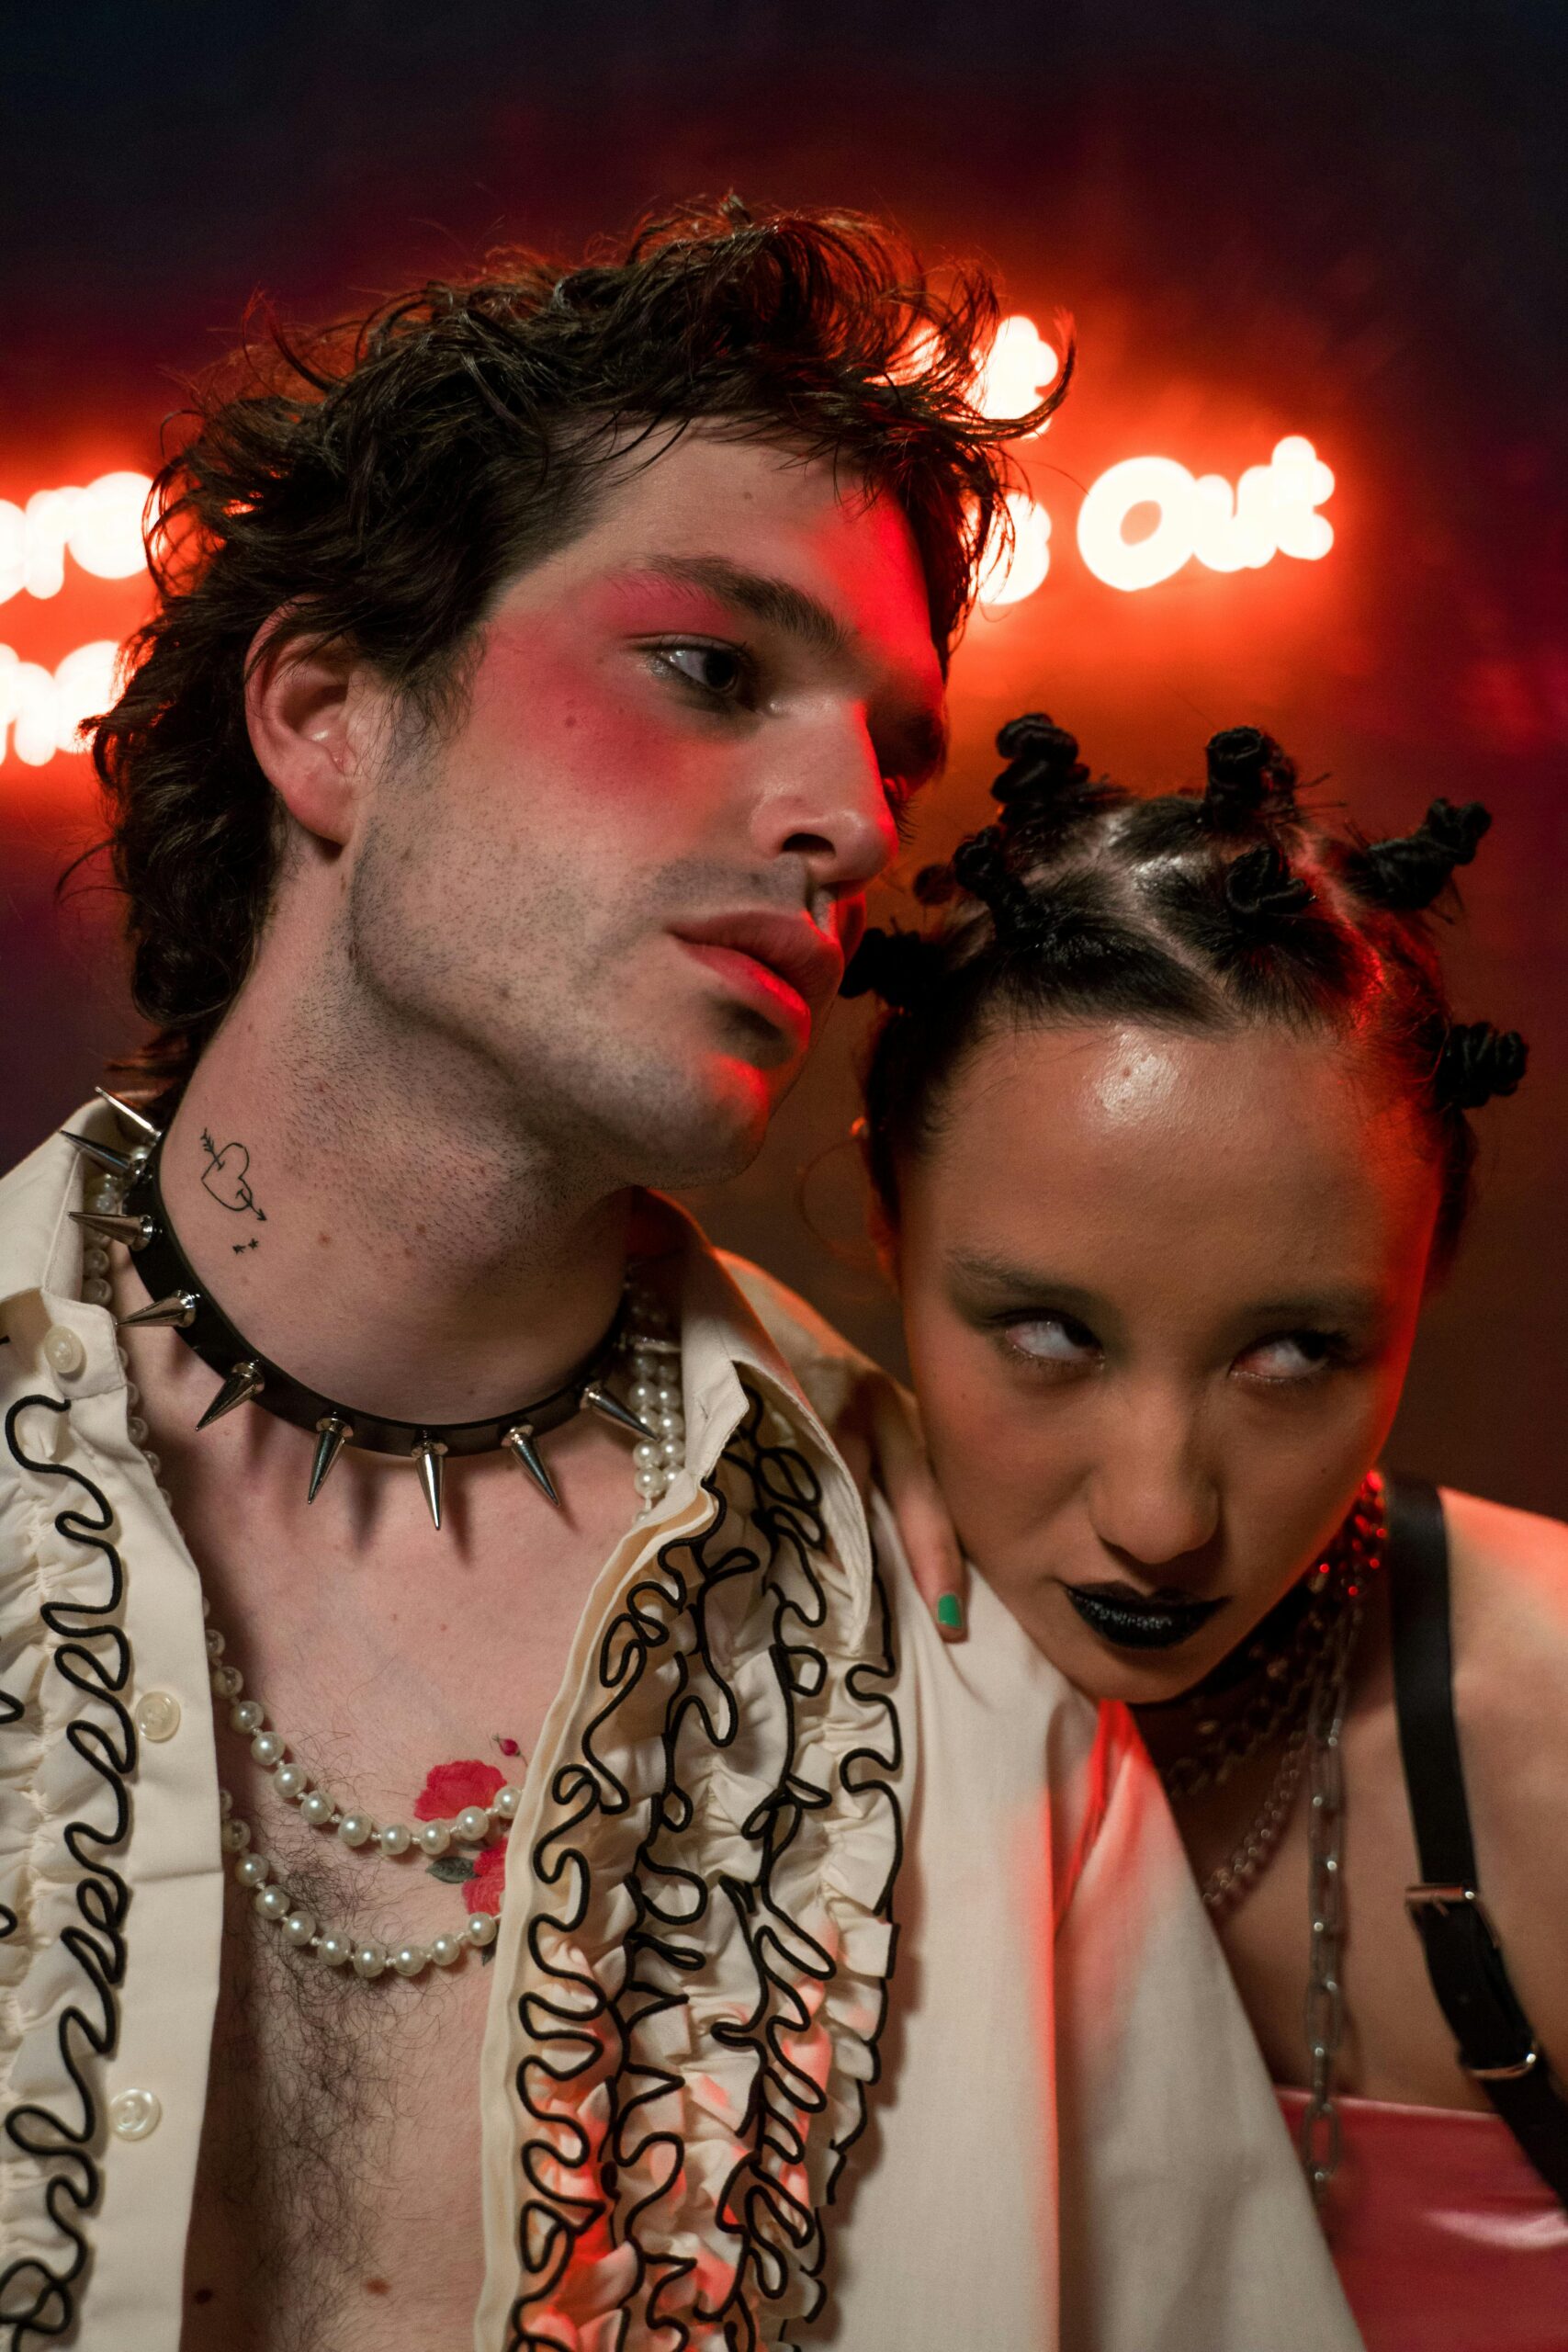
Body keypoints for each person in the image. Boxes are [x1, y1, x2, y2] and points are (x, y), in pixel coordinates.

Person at [0, 205, 1350, 2352]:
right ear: (330, 712)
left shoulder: (948, 1649)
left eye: (890, 755)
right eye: (711, 669)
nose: (853, 825)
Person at [837, 712, 1568, 2349]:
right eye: (1048, 1334)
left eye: (1295, 1352)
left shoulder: (1552, 1740)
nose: (1160, 1516)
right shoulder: (729, 1643)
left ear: (1426, 1282)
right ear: (888, 1225)